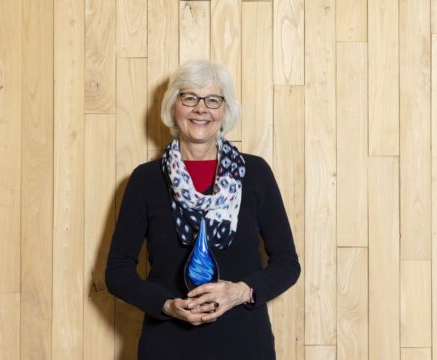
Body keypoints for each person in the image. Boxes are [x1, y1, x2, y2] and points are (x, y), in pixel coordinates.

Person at [105, 59, 300, 360]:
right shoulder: (146, 180)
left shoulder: (256, 173)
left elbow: (287, 263)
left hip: (245, 344)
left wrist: (241, 291)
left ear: (225, 111)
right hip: (167, 345)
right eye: (190, 98)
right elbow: (117, 271)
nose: (201, 109)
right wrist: (167, 305)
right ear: (173, 107)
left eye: (213, 100)